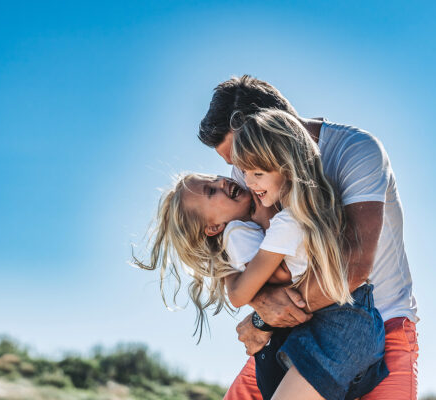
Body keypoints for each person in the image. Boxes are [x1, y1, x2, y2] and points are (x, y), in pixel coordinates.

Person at [137, 109, 389, 399]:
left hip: (339, 323)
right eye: (211, 191)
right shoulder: (252, 226)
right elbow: (251, 283)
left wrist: (262, 300)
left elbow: (269, 278)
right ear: (213, 227)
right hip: (346, 321)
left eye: (255, 172)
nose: (232, 180)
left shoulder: (280, 220)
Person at [198, 75, 419, 400]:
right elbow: (223, 242)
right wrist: (261, 303)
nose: (241, 175)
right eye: (235, 165)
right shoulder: (249, 175)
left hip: (377, 320)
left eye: (246, 161)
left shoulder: (356, 151)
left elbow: (352, 270)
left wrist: (262, 320)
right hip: (292, 327)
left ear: (272, 130)